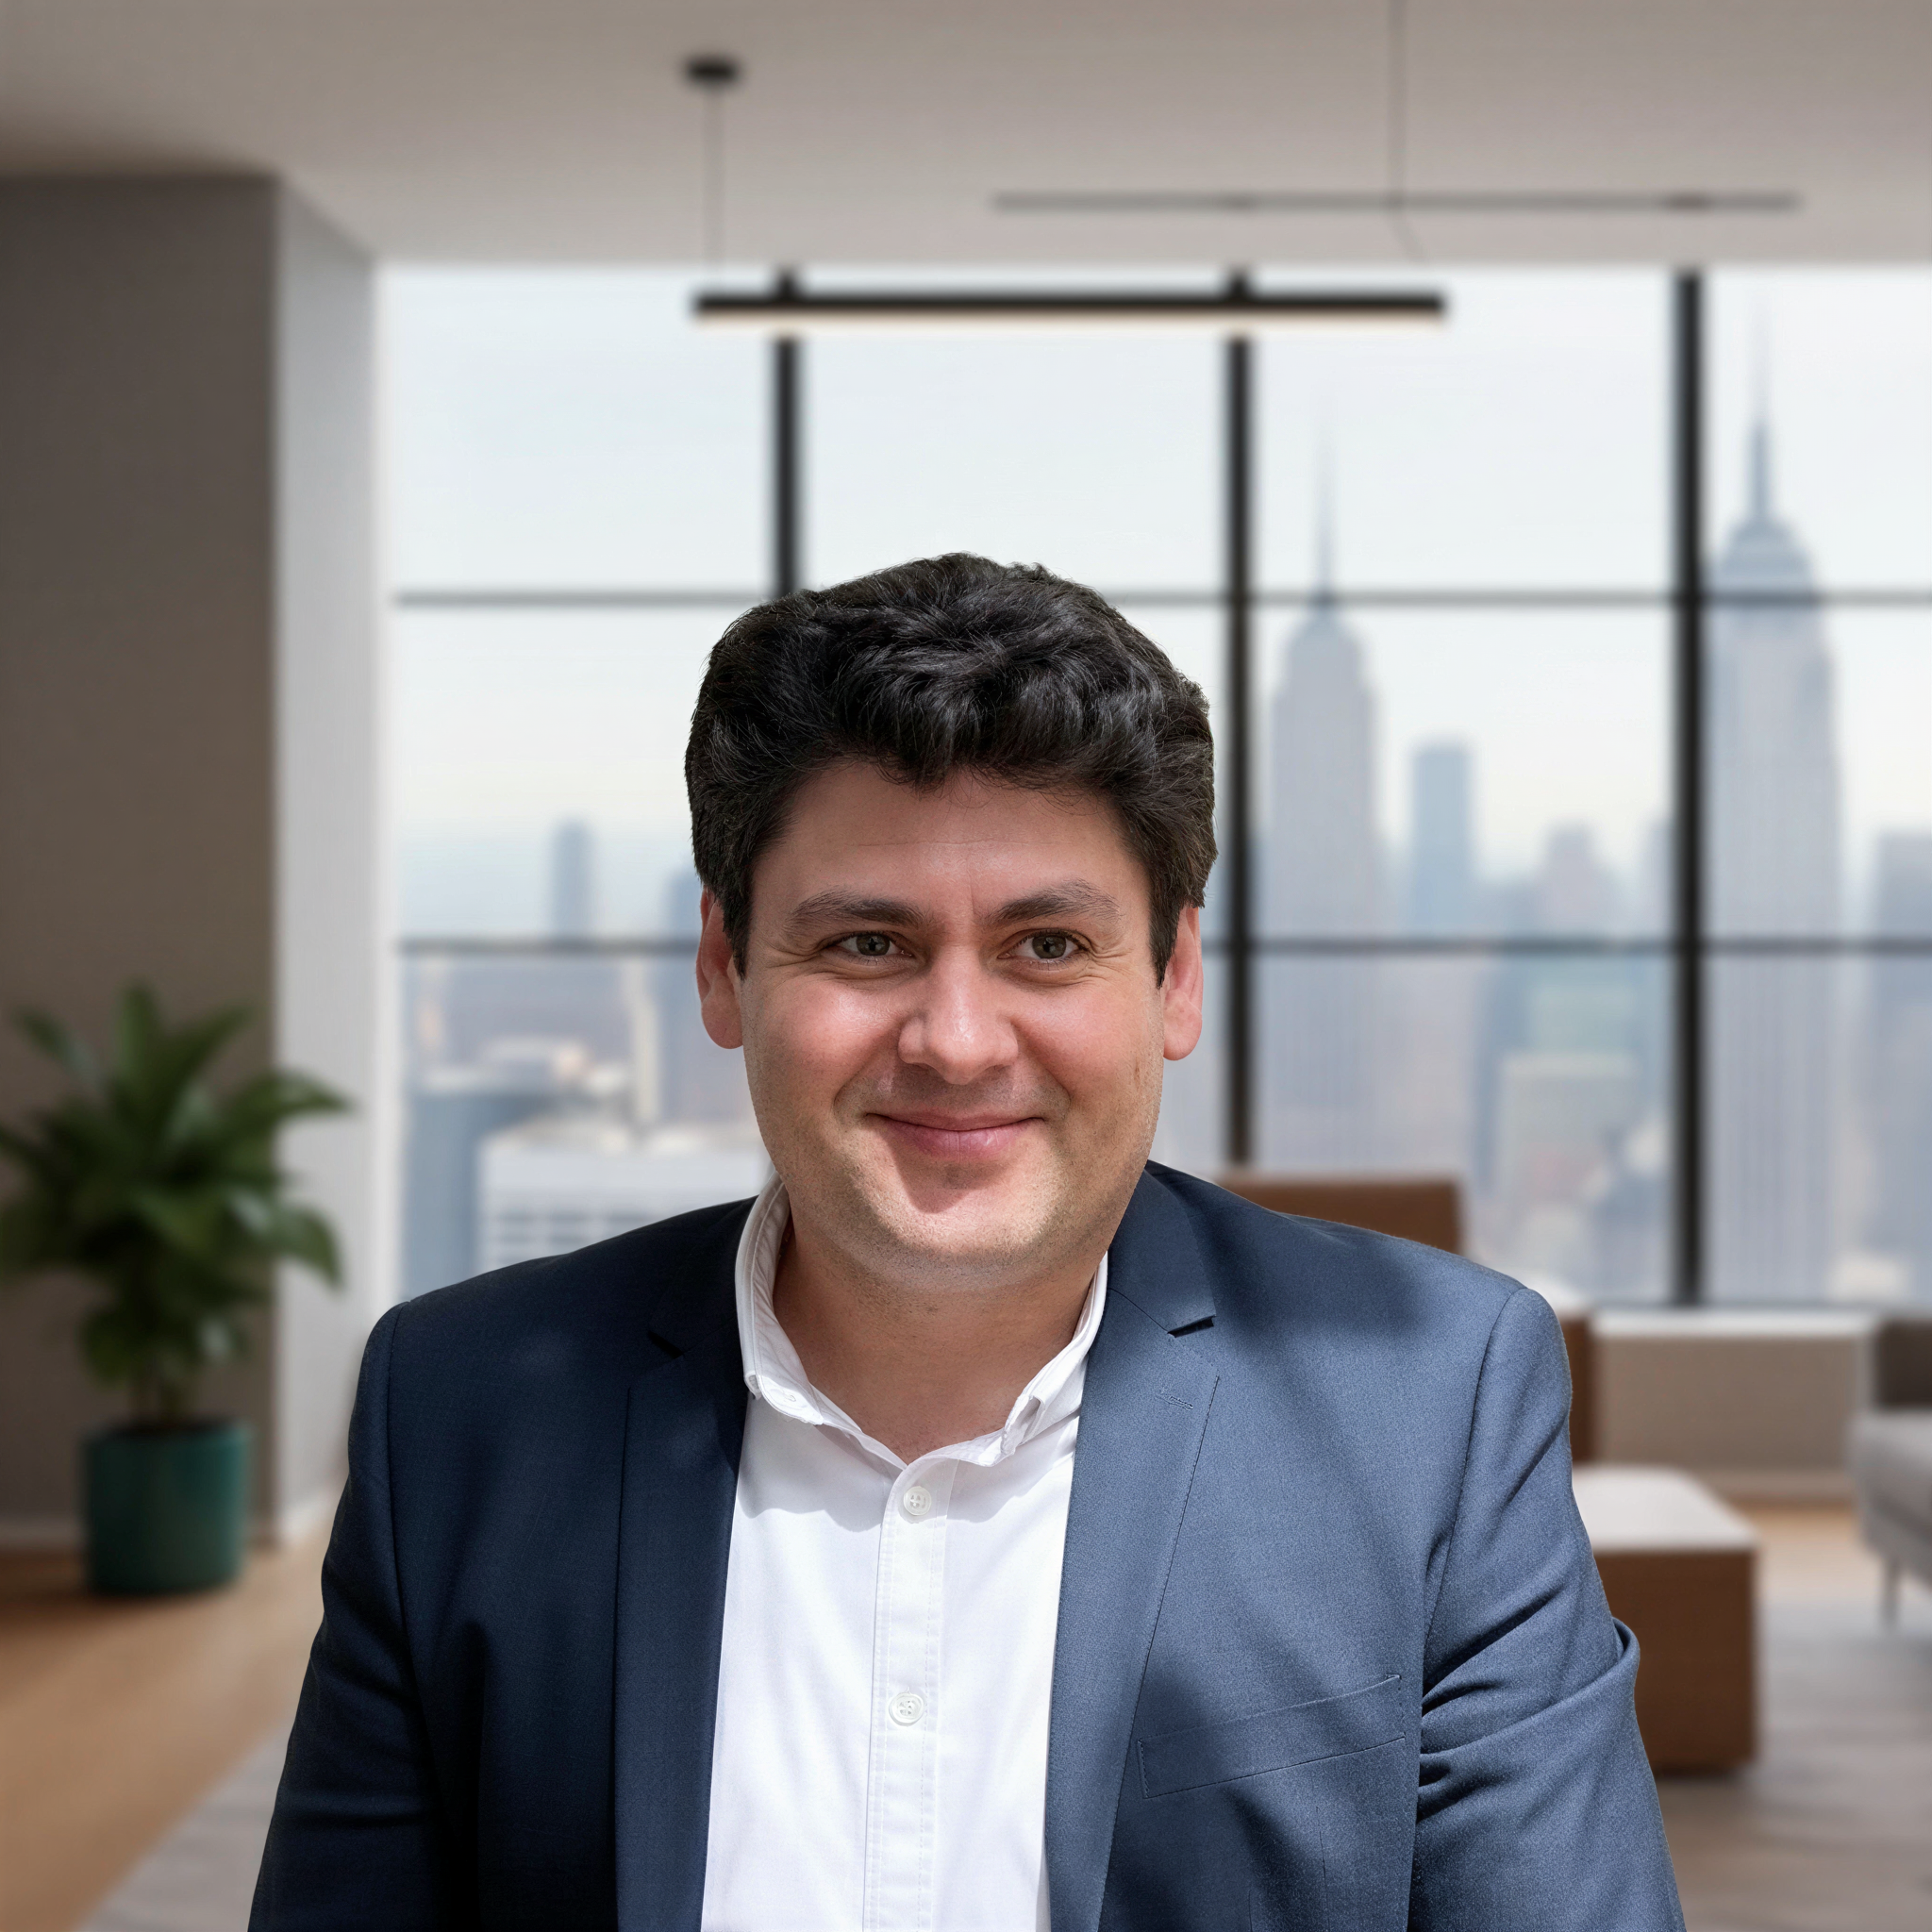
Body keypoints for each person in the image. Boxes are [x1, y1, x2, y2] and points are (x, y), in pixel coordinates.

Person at [252, 555, 1684, 1931]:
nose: (954, 1040)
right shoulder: (457, 1411)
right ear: (723, 967)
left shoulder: (1432, 1400)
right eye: (867, 944)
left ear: (1175, 978)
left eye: (1047, 946)